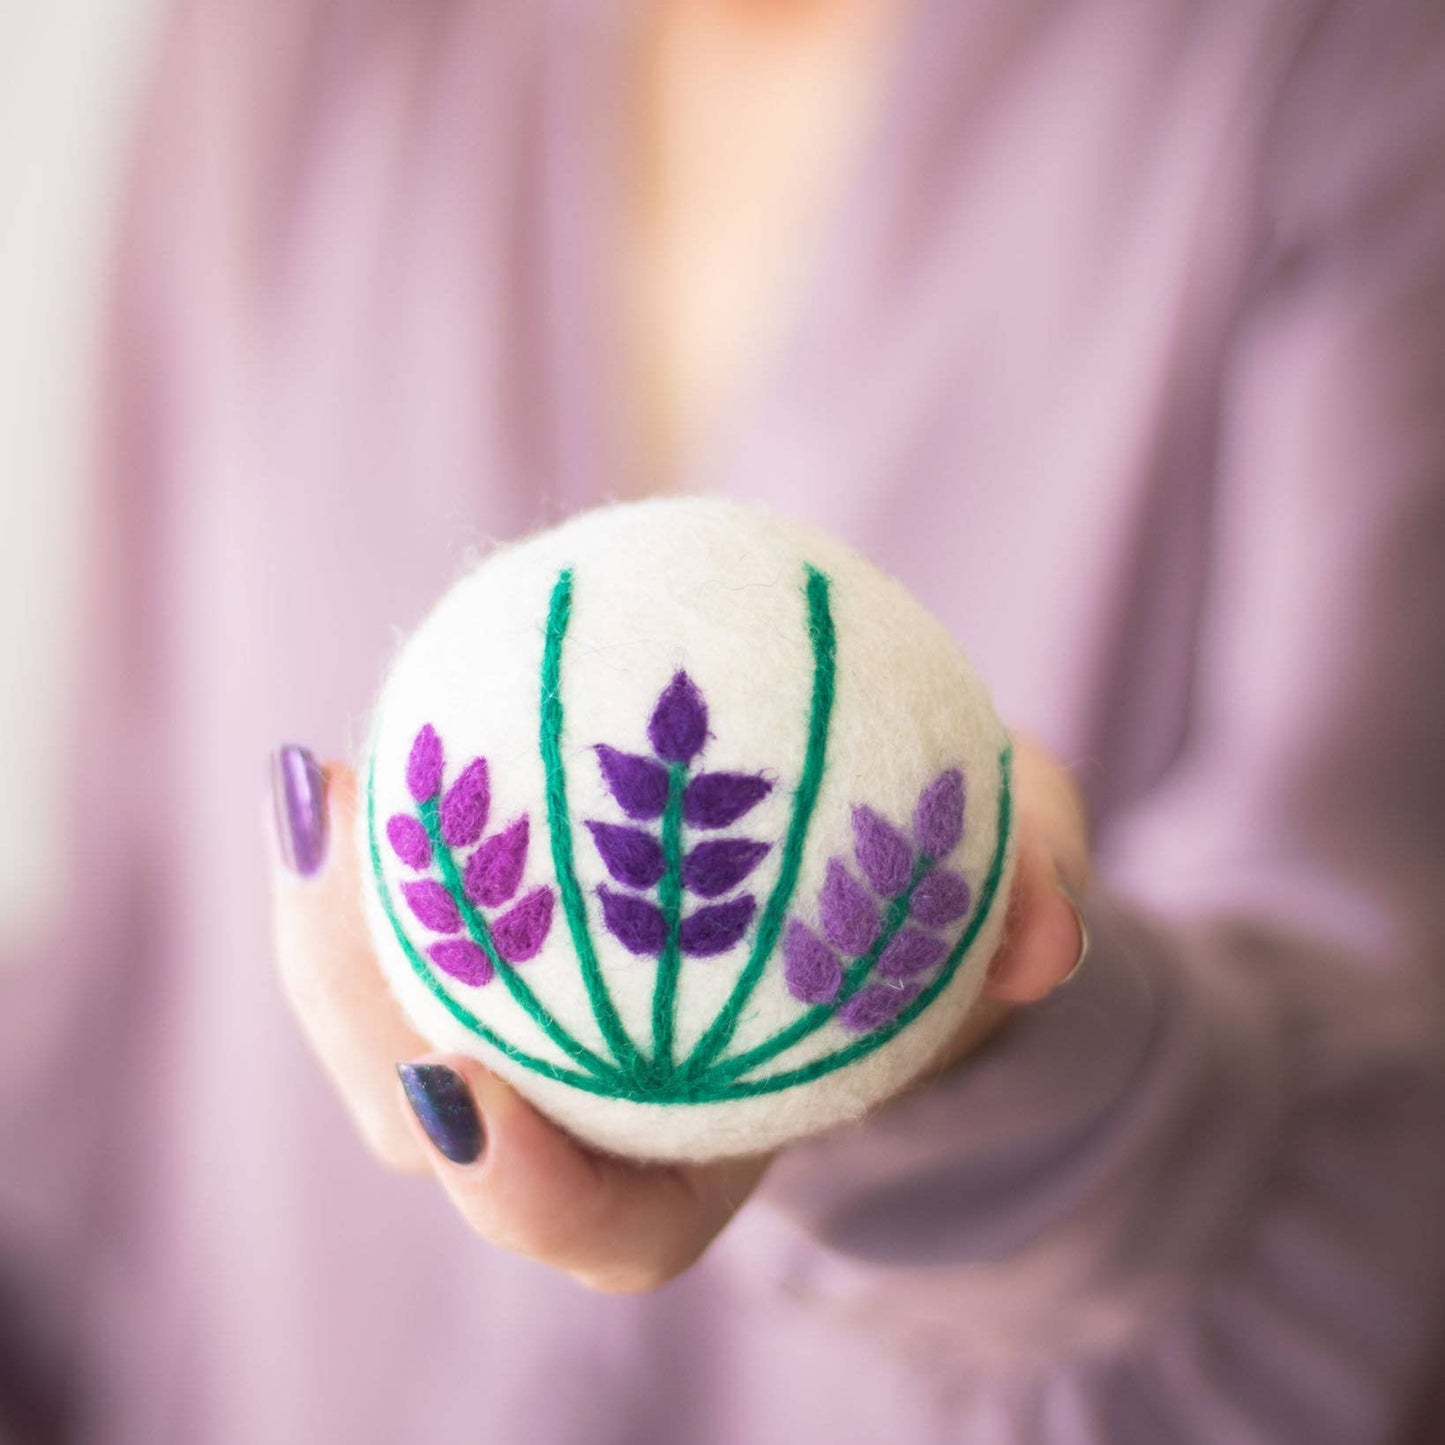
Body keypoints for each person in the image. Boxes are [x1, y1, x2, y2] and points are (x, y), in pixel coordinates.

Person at [4, 0, 1444, 1440]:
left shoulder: (1352, 65)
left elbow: (1375, 1156)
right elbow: (130, 967)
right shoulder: (276, 43)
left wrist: (986, 1065)